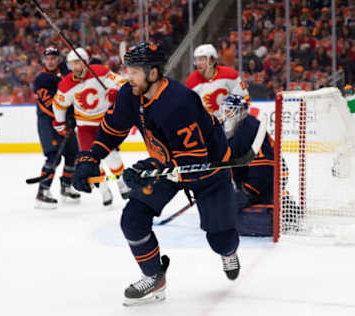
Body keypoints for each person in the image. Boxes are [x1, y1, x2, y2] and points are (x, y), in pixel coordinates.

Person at [71, 42, 241, 306]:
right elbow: (113, 127)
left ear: (153, 73)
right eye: (128, 70)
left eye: (135, 72)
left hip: (208, 167)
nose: (129, 77)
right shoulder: (130, 93)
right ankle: (154, 277)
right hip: (166, 164)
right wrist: (90, 157)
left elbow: (193, 159)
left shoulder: (179, 102)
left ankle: (228, 250)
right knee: (133, 219)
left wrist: (149, 168)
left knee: (220, 239)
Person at [52, 47, 131, 206]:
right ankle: (103, 189)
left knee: (111, 157)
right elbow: (58, 105)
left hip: (105, 123)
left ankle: (121, 181)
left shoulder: (100, 71)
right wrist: (60, 123)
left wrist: (116, 91)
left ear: (86, 62)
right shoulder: (66, 85)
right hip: (85, 127)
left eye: (78, 63)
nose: (75, 67)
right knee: (90, 161)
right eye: (72, 64)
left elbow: (123, 83)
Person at [219, 94, 275, 236]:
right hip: (249, 181)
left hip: (266, 182)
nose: (226, 113)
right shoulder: (234, 129)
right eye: (225, 109)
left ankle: (267, 208)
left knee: (226, 217)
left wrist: (248, 191)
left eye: (230, 109)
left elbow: (265, 164)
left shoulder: (251, 128)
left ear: (242, 111)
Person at [33, 47, 80, 209]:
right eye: (48, 59)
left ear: (59, 60)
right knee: (54, 157)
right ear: (44, 61)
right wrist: (66, 115)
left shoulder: (67, 73)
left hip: (66, 122)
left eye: (54, 58)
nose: (51, 61)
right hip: (48, 123)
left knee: (73, 153)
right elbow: (48, 104)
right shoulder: (41, 79)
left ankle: (66, 186)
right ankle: (42, 192)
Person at [185, 43, 250, 120]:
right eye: (197, 59)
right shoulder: (191, 81)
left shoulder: (230, 74)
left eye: (201, 59)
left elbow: (244, 96)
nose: (198, 63)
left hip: (231, 122)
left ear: (212, 60)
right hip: (207, 125)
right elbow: (189, 107)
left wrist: (228, 113)